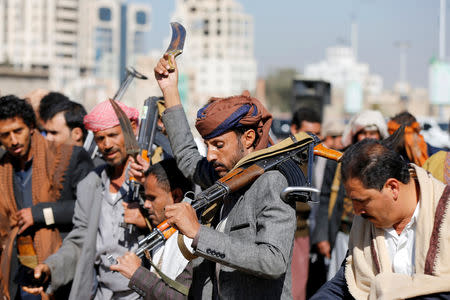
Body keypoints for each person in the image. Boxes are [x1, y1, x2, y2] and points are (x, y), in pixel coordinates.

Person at [154, 54, 296, 299]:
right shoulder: (227, 176)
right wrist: (169, 90)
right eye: (207, 145)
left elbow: (274, 260)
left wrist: (199, 234)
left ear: (249, 138)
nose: (210, 155)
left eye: (219, 144)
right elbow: (189, 159)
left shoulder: (271, 182)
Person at [23, 99, 147, 299]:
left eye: (113, 135)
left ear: (132, 129)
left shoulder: (150, 177)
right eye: (100, 138)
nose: (106, 145)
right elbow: (81, 240)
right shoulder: (92, 182)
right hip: (102, 292)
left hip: (143, 291)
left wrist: (147, 221)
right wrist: (51, 268)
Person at [311, 138, 450, 299]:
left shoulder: (445, 215)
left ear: (392, 188)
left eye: (362, 201)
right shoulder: (365, 226)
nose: (356, 211)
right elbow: (346, 283)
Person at [0, 95, 93, 300]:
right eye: (5, 135)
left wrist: (41, 214)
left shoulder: (70, 157)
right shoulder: (3, 168)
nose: (13, 140)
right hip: (17, 277)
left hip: (61, 274)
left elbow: (89, 209)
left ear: (31, 127)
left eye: (18, 131)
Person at [312, 110, 389, 280]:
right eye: (364, 133)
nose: (368, 138)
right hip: (343, 234)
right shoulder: (340, 158)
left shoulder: (386, 163)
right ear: (355, 136)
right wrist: (322, 236)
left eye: (372, 133)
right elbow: (324, 198)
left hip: (376, 236)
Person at [110, 158, 194, 299]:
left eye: (152, 198)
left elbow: (178, 297)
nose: (146, 205)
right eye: (145, 198)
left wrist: (137, 274)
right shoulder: (162, 233)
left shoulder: (189, 239)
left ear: (176, 195)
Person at [289, 107, 322, 300]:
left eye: (317, 134)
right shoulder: (279, 158)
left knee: (298, 291)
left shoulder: (314, 160)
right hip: (281, 234)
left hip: (302, 234)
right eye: (309, 134)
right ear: (294, 129)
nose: (314, 140)